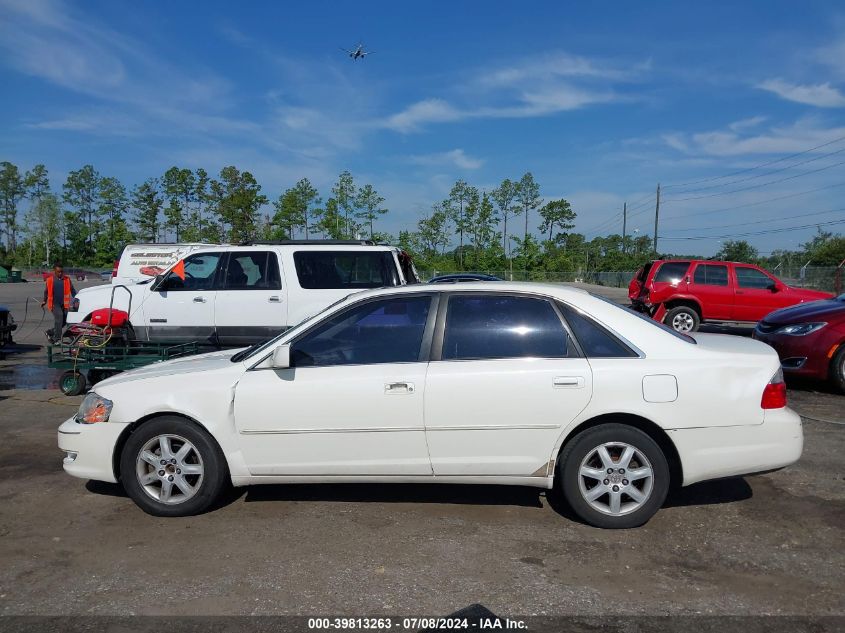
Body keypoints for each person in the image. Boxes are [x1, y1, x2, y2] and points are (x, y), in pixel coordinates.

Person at [41, 262, 76, 344]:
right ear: (55, 271)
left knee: (66, 321)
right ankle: (56, 338)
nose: (60, 273)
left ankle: (50, 332)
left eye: (61, 272)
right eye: (58, 272)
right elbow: (46, 292)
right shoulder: (50, 280)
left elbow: (73, 290)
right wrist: (44, 301)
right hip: (54, 304)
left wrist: (77, 298)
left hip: (65, 304)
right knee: (59, 317)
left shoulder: (67, 279)